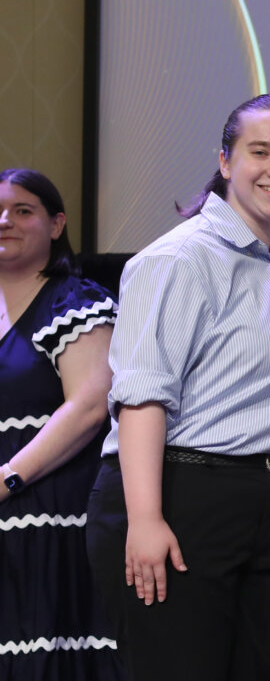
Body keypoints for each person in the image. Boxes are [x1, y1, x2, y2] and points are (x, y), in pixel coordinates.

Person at [85, 94, 270, 681]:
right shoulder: (180, 258)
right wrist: (145, 519)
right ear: (224, 160)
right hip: (179, 492)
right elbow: (141, 395)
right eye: (260, 152)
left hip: (266, 500)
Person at [0, 168, 121, 680]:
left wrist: (8, 478)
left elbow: (90, 406)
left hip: (51, 509)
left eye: (23, 210)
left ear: (56, 224)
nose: (5, 220)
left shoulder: (77, 301)